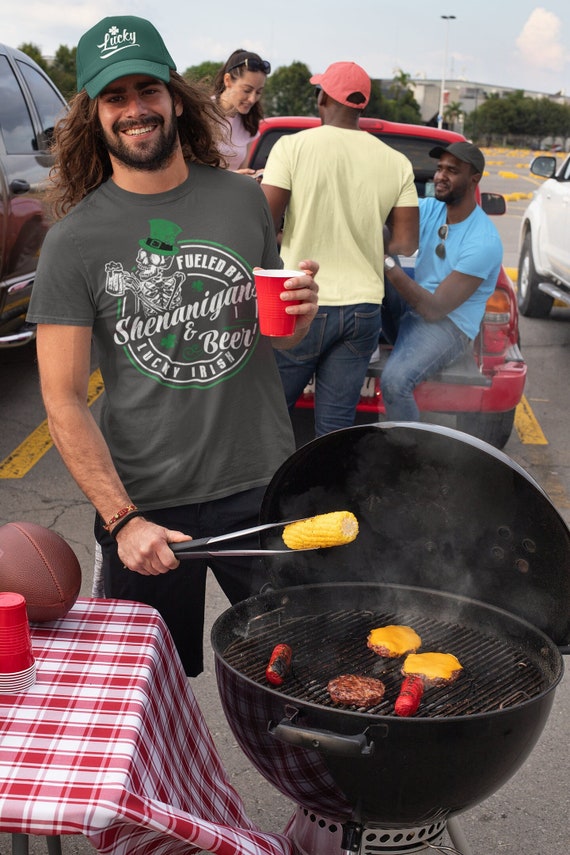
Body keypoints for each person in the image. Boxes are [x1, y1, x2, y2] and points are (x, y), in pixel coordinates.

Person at [26, 15, 318, 677]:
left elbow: (277, 330)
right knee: (147, 689)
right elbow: (63, 401)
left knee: (296, 669)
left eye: (146, 90)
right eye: (114, 97)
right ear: (94, 114)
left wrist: (299, 312)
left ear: (175, 96)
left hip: (261, 486)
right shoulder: (75, 241)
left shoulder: (243, 203)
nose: (135, 109)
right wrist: (121, 517)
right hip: (147, 502)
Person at [261, 61, 418, 437]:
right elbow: (406, 243)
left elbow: (263, 222)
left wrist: (289, 237)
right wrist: (362, 236)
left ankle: (264, 493)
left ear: (324, 99)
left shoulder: (292, 148)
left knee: (270, 415)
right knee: (335, 429)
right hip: (364, 309)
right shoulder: (396, 162)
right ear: (361, 106)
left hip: (302, 303)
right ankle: (326, 495)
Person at [380, 141, 503, 422]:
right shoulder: (431, 209)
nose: (440, 176)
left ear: (474, 179)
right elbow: (383, 211)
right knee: (373, 234)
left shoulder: (483, 241)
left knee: (395, 383)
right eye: (438, 169)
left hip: (448, 326)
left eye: (452, 170)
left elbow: (435, 309)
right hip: (411, 312)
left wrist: (385, 260)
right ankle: (349, 335)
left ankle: (406, 456)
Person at [212, 49, 270, 174]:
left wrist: (254, 176)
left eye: (259, 92)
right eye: (247, 90)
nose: (252, 99)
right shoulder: (202, 113)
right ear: (227, 80)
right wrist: (233, 177)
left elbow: (242, 171)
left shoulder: (250, 122)